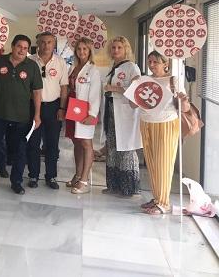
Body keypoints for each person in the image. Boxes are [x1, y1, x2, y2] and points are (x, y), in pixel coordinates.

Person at [0, 34, 43, 194]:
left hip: (21, 117)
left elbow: (37, 92)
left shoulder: (32, 66)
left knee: (19, 150)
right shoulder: (0, 61)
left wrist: (37, 115)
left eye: (25, 48)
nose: (22, 50)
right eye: (19, 46)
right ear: (12, 46)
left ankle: (16, 182)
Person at [138, 51, 187, 214]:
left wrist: (183, 99)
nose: (151, 65)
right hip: (146, 122)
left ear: (165, 63)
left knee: (164, 163)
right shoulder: (145, 80)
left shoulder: (173, 80)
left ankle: (164, 203)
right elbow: (134, 104)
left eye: (155, 62)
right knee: (152, 163)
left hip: (166, 123)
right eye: (149, 62)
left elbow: (185, 108)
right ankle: (157, 197)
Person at [26, 32, 68, 190]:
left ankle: (51, 176)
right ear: (37, 43)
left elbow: (64, 87)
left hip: (53, 106)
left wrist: (62, 108)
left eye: (50, 42)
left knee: (52, 144)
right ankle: (33, 175)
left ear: (54, 44)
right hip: (32, 107)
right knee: (33, 143)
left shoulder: (60, 62)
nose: (46, 45)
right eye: (43, 42)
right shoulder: (30, 60)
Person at [103, 36, 142, 196]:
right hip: (112, 111)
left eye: (119, 47)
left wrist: (114, 88)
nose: (116, 50)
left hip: (125, 113)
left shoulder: (132, 67)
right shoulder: (112, 67)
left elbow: (136, 91)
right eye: (113, 48)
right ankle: (113, 185)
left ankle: (128, 187)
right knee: (112, 148)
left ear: (126, 49)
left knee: (126, 149)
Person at [64, 38, 101, 194]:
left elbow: (95, 94)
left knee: (86, 143)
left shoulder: (93, 70)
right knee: (76, 142)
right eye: (79, 49)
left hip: (85, 110)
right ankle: (77, 175)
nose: (82, 52)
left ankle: (84, 180)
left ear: (90, 51)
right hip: (72, 108)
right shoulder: (73, 67)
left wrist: (92, 114)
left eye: (85, 49)